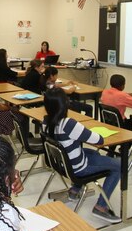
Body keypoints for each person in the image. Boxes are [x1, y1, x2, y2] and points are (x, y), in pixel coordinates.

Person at [42, 88, 121, 223]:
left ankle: (74, 190)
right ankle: (101, 207)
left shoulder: (45, 122)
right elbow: (99, 140)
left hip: (62, 164)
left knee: (93, 152)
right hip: (78, 169)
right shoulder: (69, 124)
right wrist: (85, 131)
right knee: (120, 165)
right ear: (65, 104)